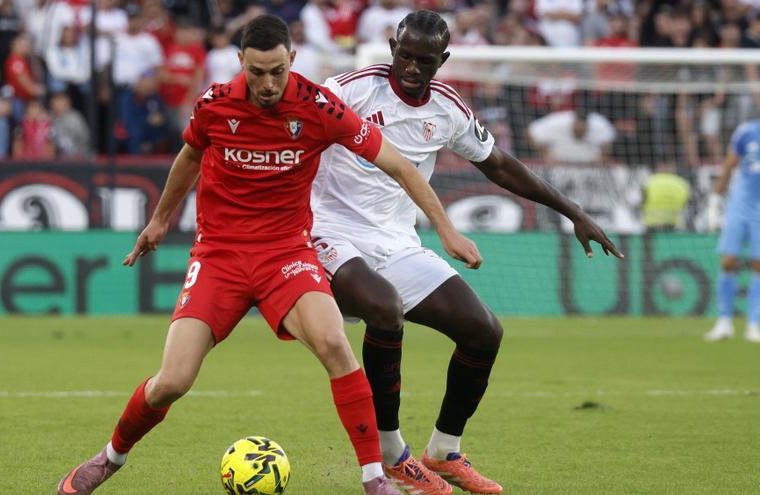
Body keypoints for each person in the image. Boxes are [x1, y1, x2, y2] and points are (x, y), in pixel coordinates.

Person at [56, 14, 483, 495]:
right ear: (241, 61)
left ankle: (375, 481)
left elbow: (399, 164)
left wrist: (445, 228)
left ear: (292, 60)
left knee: (336, 345)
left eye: (277, 71)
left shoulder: (320, 106)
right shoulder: (214, 104)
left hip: (287, 255)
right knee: (172, 381)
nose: (267, 84)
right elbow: (190, 156)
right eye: (256, 72)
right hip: (220, 257)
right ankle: (109, 459)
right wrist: (159, 220)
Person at [311, 10, 624, 495]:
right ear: (392, 47)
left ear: (443, 60)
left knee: (483, 332)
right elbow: (293, 134)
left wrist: (572, 210)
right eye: (405, 55)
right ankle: (393, 457)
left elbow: (497, 165)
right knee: (384, 309)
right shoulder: (347, 90)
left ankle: (443, 452)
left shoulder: (448, 109)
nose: (412, 68)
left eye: (425, 60)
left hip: (396, 241)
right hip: (331, 232)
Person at [705, 118, 760, 343]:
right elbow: (729, 166)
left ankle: (753, 323)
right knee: (728, 261)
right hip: (740, 204)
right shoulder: (746, 131)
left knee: (758, 264)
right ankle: (724, 322)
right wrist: (714, 201)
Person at [641, 163, 691, 233]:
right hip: (673, 224)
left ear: (658, 167)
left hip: (652, 224)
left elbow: (641, 201)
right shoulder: (682, 183)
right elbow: (686, 203)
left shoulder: (649, 182)